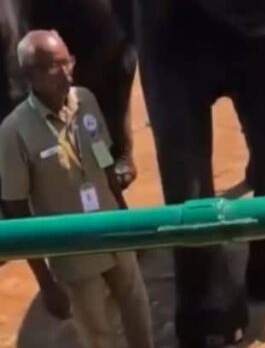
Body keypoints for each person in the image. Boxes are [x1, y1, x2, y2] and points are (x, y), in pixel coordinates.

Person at [0, 30, 154, 348]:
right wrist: (46, 282)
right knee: (98, 333)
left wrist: (126, 221)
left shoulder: (85, 101)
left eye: (67, 61)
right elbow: (16, 209)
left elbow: (103, 159)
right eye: (54, 66)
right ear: (30, 75)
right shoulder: (14, 132)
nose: (67, 71)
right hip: (75, 253)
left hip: (115, 233)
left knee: (138, 312)